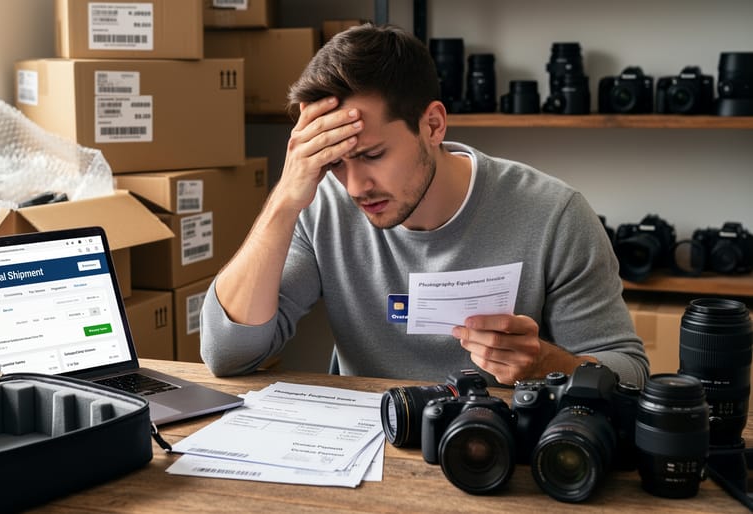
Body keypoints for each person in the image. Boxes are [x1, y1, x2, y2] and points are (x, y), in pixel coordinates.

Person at [199, 23, 649, 387]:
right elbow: (227, 355)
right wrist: (284, 200)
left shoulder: (555, 215)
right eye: (335, 162)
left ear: (432, 124)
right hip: (369, 450)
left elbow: (630, 373)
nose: (355, 187)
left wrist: (550, 365)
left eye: (373, 155)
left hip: (499, 453)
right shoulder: (322, 205)